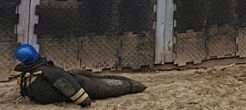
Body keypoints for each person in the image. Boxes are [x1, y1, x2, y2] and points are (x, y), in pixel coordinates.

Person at [13, 44, 146, 107]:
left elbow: (65, 82)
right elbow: (66, 83)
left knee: (95, 79)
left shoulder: (24, 73)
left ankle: (133, 84)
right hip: (76, 83)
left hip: (73, 80)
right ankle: (133, 85)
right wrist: (84, 101)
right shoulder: (47, 72)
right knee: (103, 83)